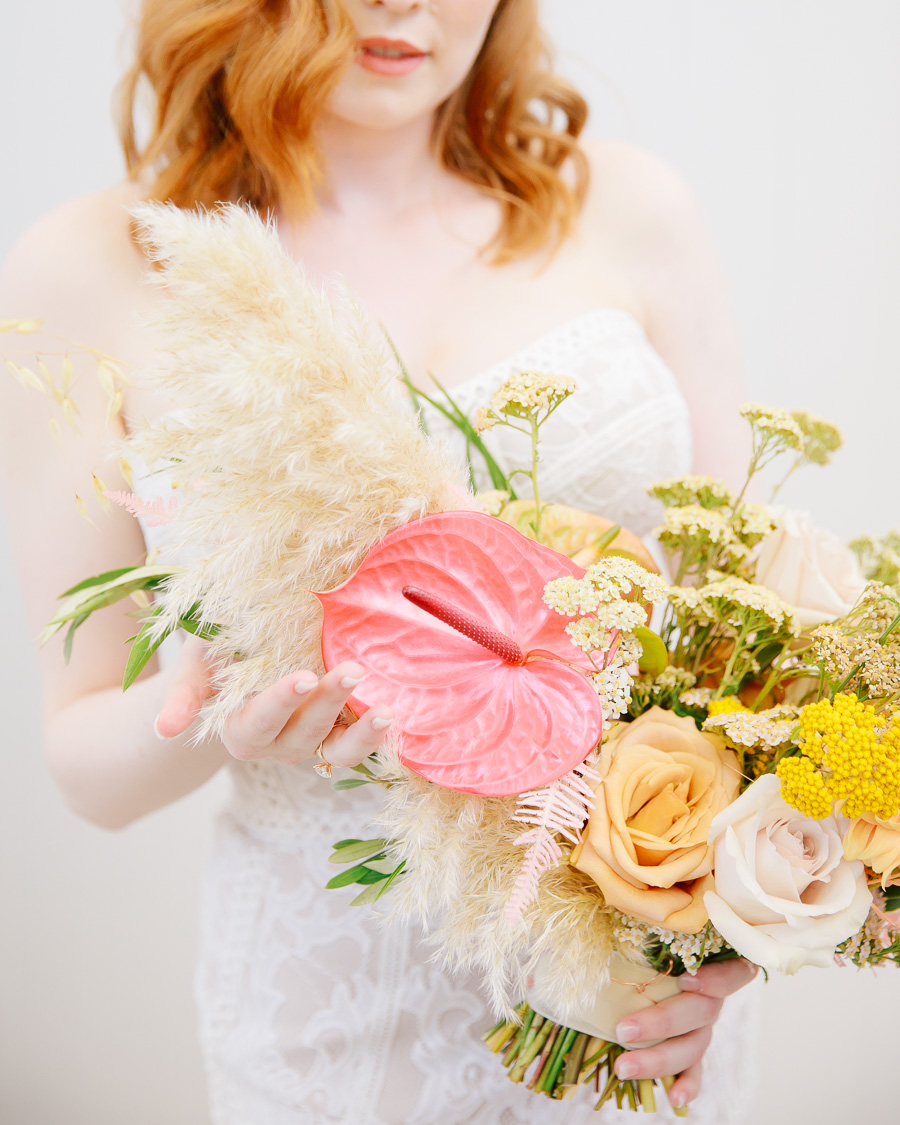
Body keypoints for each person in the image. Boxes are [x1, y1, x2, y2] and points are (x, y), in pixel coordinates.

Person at [0, 0, 760, 1121]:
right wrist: (210, 697)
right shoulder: (96, 264)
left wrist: (740, 933)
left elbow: (746, 641)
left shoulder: (632, 208)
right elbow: (83, 761)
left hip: (627, 987)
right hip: (334, 1011)